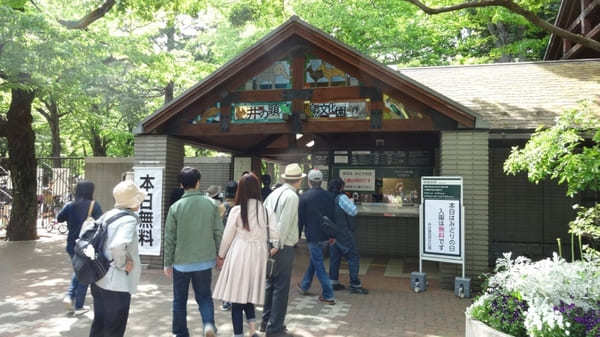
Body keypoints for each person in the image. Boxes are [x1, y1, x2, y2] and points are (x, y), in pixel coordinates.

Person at [213, 173, 279, 337]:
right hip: (258, 257)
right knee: (249, 295)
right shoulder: (266, 211)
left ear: (240, 190)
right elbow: (277, 239)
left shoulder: (237, 210)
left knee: (237, 297)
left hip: (239, 254)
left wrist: (220, 255)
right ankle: (252, 330)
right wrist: (267, 252)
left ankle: (239, 334)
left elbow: (227, 236)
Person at [164, 167, 223, 337]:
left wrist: (167, 263)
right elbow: (218, 232)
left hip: (181, 263)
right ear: (198, 182)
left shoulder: (175, 207)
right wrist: (220, 255)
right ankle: (209, 324)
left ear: (181, 184)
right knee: (204, 296)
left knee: (179, 300)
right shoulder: (211, 204)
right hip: (205, 260)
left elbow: (170, 238)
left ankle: (180, 333)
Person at [89, 180, 145, 337]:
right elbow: (118, 245)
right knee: (114, 329)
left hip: (99, 278)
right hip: (116, 284)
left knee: (99, 325)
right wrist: (123, 263)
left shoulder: (108, 215)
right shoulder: (128, 219)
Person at [260, 163, 304, 337]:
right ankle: (275, 328)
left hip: (269, 243)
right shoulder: (292, 197)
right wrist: (276, 246)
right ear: (298, 180)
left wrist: (268, 244)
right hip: (282, 247)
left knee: (270, 284)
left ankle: (265, 321)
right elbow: (284, 225)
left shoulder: (273, 193)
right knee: (281, 288)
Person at [58, 180, 103, 315]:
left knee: (79, 271)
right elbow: (101, 223)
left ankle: (73, 299)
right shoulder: (94, 206)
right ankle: (75, 302)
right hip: (87, 245)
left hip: (72, 245)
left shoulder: (70, 205)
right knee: (84, 273)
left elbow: (59, 218)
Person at [297, 169, 336, 304]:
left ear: (309, 181)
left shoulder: (304, 197)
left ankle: (328, 294)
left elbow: (300, 219)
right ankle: (304, 285)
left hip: (312, 236)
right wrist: (332, 235)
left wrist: (297, 236)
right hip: (326, 235)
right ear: (321, 181)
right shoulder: (329, 196)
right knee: (316, 260)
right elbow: (333, 217)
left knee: (318, 264)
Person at [327, 178, 368, 295]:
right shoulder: (342, 198)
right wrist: (351, 202)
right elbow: (353, 211)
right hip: (343, 232)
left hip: (331, 232)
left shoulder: (327, 197)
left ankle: (333, 282)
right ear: (340, 187)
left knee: (335, 257)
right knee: (353, 256)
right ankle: (355, 284)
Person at [219, 180, 238, 312]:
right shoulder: (240, 207)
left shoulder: (222, 207)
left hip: (224, 243)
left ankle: (226, 301)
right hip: (237, 244)